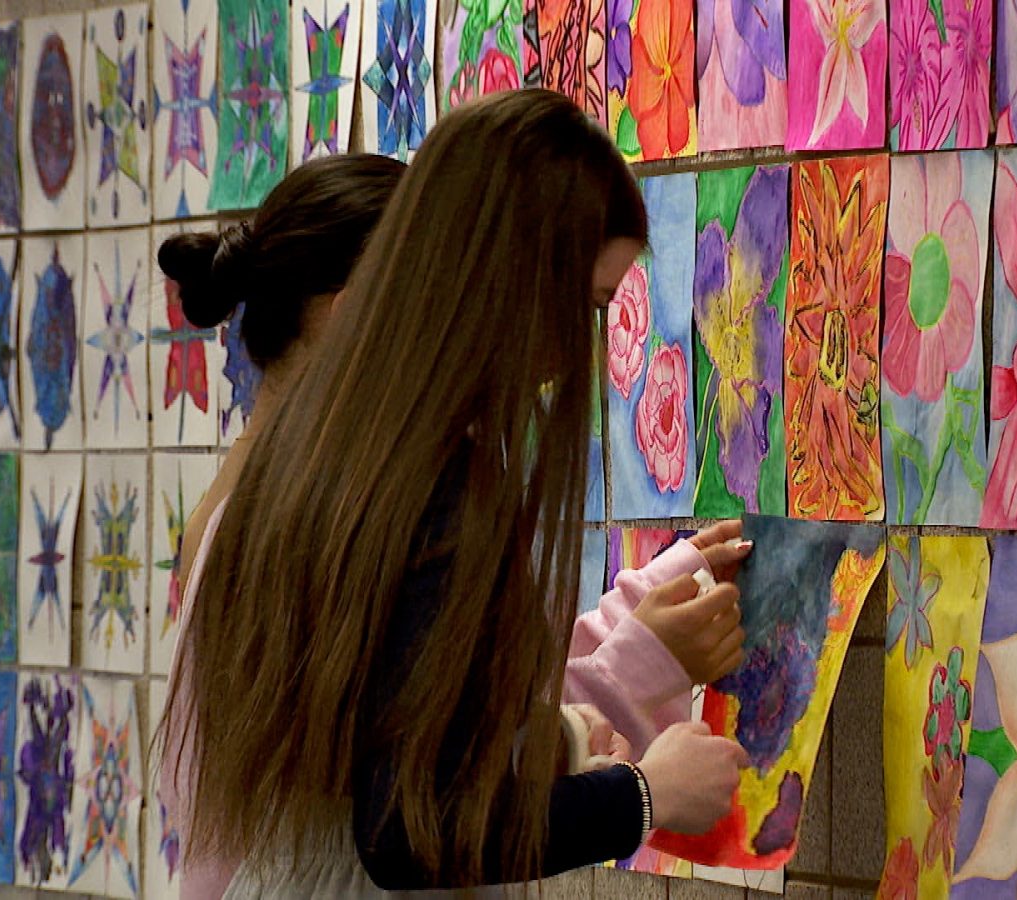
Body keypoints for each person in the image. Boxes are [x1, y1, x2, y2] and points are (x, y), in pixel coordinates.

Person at [158, 90, 748, 896]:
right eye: (589, 303)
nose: (576, 347)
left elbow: (399, 732)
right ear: (517, 276)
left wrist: (568, 726)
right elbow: (408, 826)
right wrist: (644, 796)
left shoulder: (323, 463)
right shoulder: (427, 486)